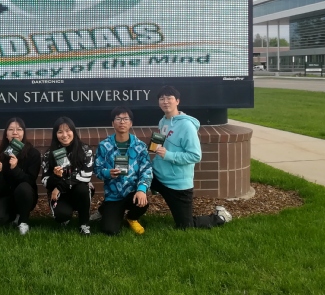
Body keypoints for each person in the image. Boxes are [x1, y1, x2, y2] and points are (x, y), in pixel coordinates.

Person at [152, 85, 232, 228]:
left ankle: (220, 217)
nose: (165, 102)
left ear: (177, 101)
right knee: (133, 177)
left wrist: (168, 154)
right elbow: (162, 144)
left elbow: (195, 156)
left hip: (176, 183)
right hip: (158, 175)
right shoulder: (163, 121)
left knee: (185, 225)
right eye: (162, 99)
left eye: (169, 98)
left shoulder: (187, 126)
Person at [93, 106, 153, 235]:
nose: (122, 122)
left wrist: (142, 189)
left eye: (126, 119)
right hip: (113, 196)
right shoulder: (104, 146)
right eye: (118, 119)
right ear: (112, 123)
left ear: (131, 123)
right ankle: (105, 210)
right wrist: (107, 173)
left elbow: (147, 170)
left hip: (133, 193)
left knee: (142, 202)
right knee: (110, 230)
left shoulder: (140, 146)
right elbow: (97, 169)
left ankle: (131, 218)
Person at [0, 117, 41, 235]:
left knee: (23, 188)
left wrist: (15, 169)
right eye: (11, 129)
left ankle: (23, 220)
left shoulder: (33, 154)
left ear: (23, 133)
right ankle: (13, 216)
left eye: (19, 129)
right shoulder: (1, 155)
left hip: (25, 196)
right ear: (6, 134)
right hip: (5, 196)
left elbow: (30, 181)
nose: (15, 132)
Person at [41, 116, 94, 236]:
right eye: (60, 132)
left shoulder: (85, 150)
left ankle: (84, 224)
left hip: (77, 190)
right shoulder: (49, 154)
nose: (64, 135)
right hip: (61, 195)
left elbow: (85, 175)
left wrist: (59, 187)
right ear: (55, 134)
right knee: (61, 216)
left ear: (73, 131)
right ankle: (65, 215)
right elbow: (44, 181)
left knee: (83, 188)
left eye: (68, 130)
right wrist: (55, 177)